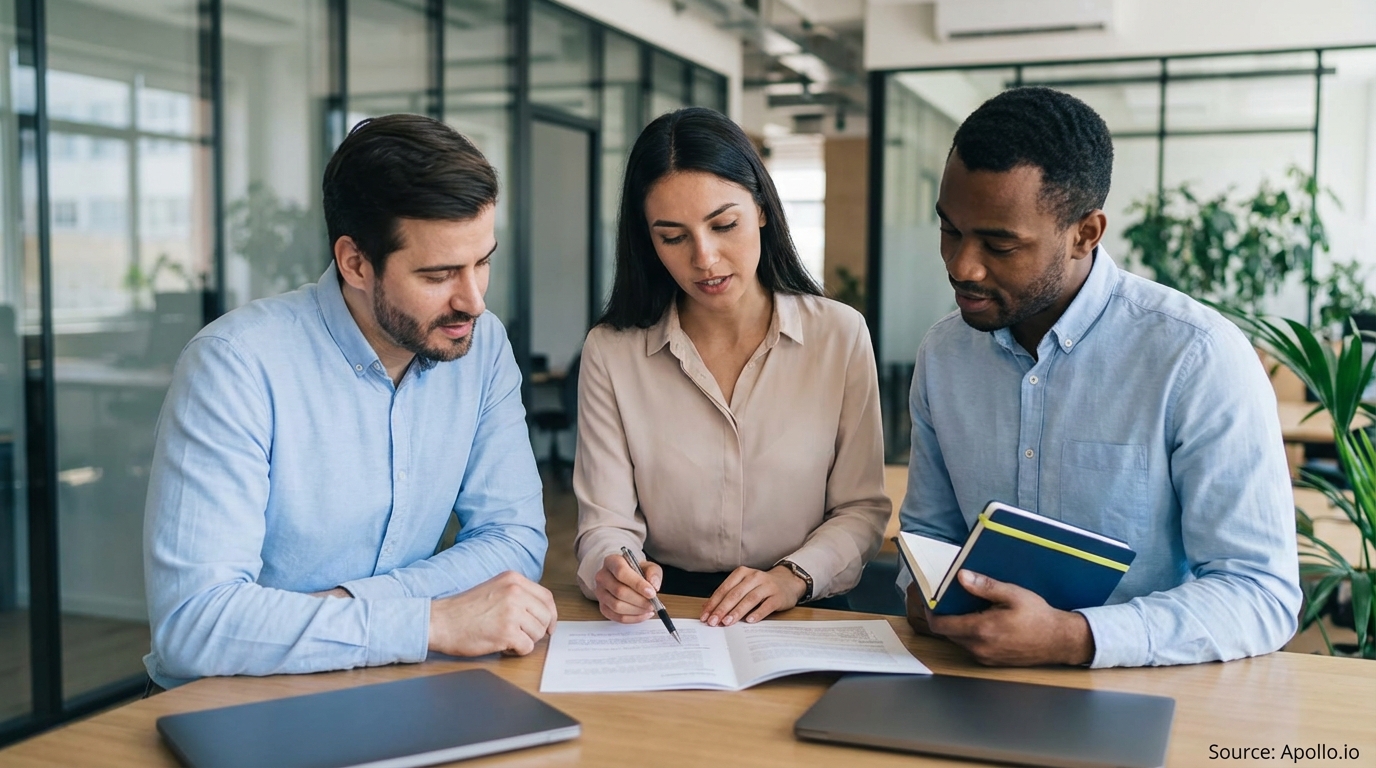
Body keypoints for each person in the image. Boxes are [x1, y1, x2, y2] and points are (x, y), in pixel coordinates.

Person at [143, 115, 556, 689]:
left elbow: (513, 542)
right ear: (355, 262)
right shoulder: (234, 365)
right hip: (239, 702)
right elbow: (196, 625)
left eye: (482, 261)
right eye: (439, 274)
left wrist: (348, 608)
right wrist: (426, 621)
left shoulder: (481, 349)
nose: (474, 301)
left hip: (394, 684)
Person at [899, 87, 1301, 668]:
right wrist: (924, 595)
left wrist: (1073, 637)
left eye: (1000, 243)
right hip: (966, 680)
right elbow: (928, 540)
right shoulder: (944, 354)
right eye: (950, 230)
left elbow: (1260, 594)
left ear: (1085, 233)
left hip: (1149, 691)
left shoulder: (1197, 357)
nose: (962, 265)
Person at [575, 107, 890, 628]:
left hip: (803, 603)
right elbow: (605, 523)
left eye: (724, 225)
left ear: (762, 208)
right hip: (666, 614)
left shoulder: (838, 334)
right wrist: (611, 572)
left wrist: (792, 577)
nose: (705, 258)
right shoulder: (612, 351)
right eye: (672, 237)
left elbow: (861, 510)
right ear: (647, 241)